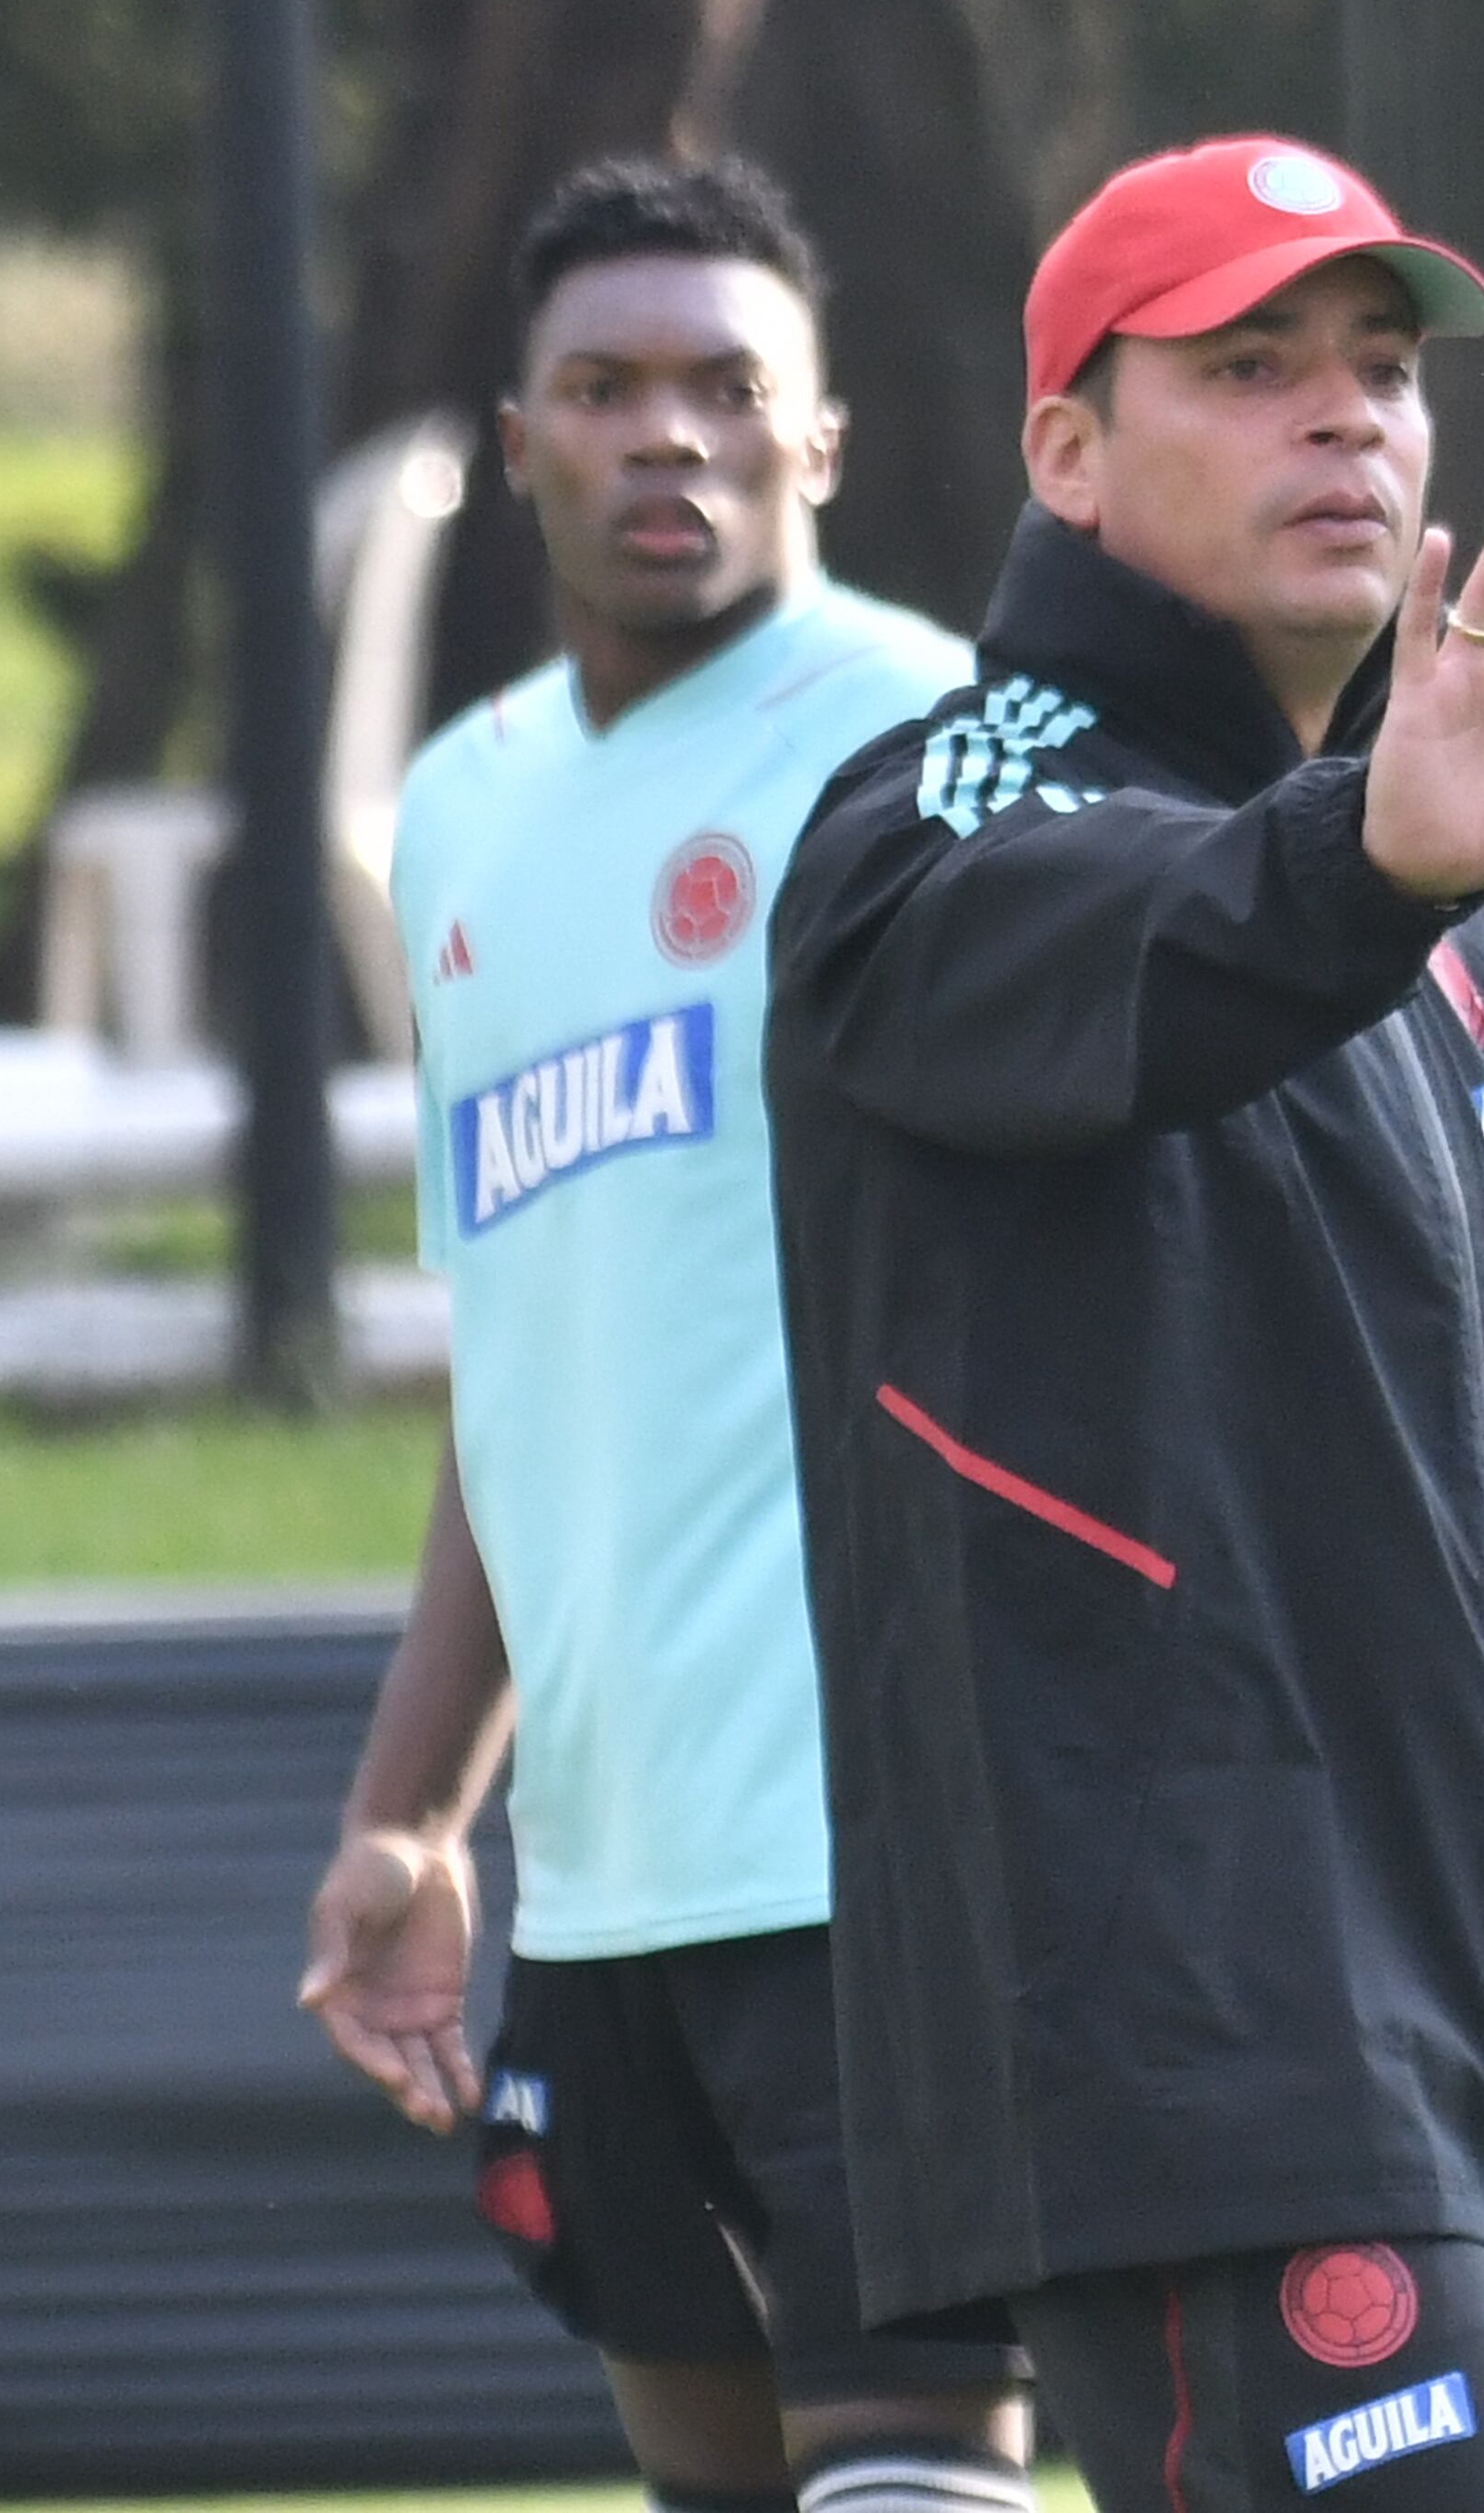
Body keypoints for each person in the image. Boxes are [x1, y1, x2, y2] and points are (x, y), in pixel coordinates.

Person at [763, 136, 1484, 2511]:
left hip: (1459, 2067)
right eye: (1253, 366)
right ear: (1066, 453)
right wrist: (1371, 864)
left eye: (1385, 371)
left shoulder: (1415, 902)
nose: (1351, 421)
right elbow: (1153, 941)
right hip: (1192, 2047)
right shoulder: (939, 813)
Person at [297, 154, 1032, 2513]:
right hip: (612, 1876)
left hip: (891, 1854)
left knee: (912, 2466)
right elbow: (518, 1357)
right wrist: (417, 1809)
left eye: (729, 387)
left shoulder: (938, 739)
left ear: (822, 440)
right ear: (518, 443)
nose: (667, 437)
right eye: (603, 389)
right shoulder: (466, 806)